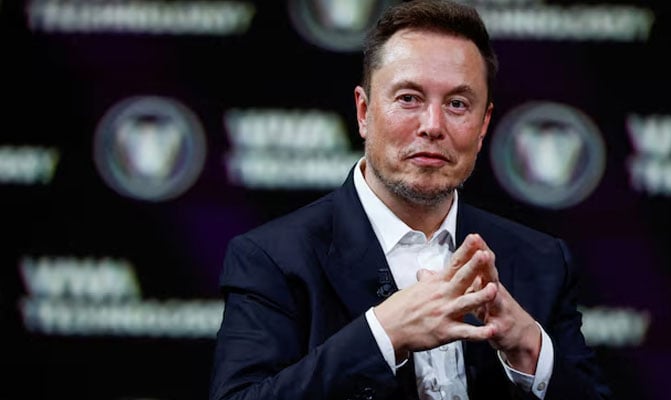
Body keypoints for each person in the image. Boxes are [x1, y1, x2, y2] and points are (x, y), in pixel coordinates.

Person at [209, 1, 613, 399]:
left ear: (484, 124)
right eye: (409, 98)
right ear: (364, 111)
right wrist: (383, 334)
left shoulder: (541, 260)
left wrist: (528, 348)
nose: (433, 126)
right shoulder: (273, 258)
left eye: (457, 104)